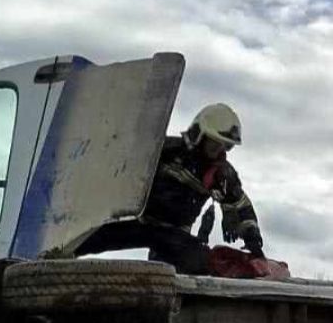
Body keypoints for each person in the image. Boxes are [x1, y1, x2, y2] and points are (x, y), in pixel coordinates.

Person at [77, 103, 263, 274]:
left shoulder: (221, 174)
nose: (219, 149)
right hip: (137, 219)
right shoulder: (165, 150)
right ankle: (55, 250)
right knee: (84, 238)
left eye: (225, 146)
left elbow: (240, 205)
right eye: (215, 142)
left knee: (199, 263)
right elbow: (120, 169)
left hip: (174, 235)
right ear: (200, 134)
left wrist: (253, 242)